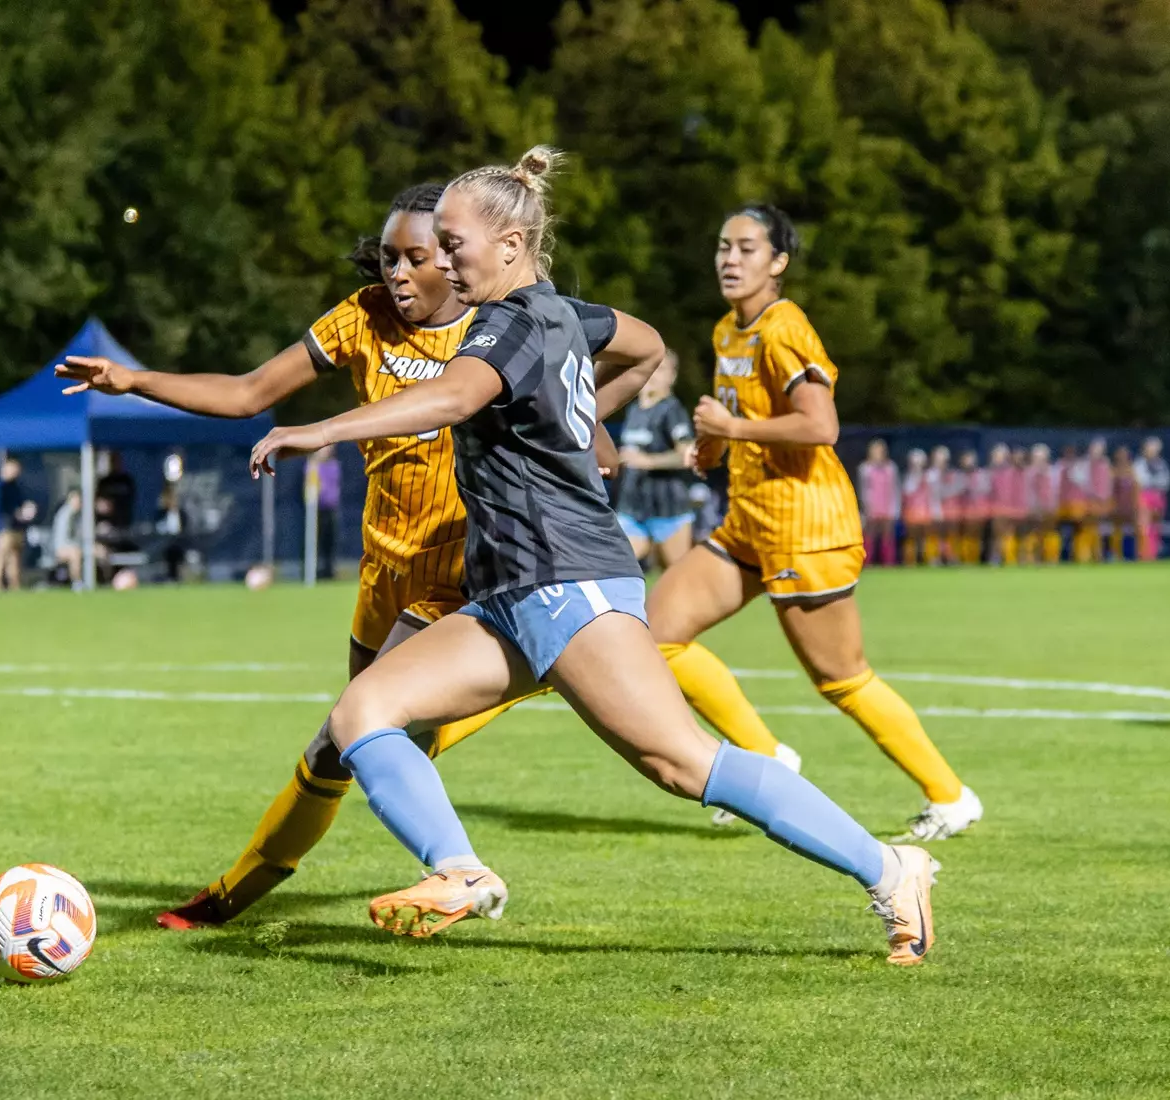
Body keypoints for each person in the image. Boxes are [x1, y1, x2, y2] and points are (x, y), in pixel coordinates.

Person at [249, 151, 940, 964]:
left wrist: (321, 430)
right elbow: (644, 345)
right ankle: (460, 871)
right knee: (361, 713)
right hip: (509, 595)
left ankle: (892, 869)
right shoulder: (562, 314)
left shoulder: (507, 323)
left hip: (569, 583)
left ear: (511, 244)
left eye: (453, 244)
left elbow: (455, 396)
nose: (443, 262)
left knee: (683, 764)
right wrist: (587, 423)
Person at [57, 183, 778, 928]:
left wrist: (584, 423)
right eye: (388, 257)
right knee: (350, 743)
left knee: (349, 730)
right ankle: (502, 750)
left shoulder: (500, 323)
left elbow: (614, 370)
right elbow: (249, 393)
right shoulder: (363, 317)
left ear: (456, 257)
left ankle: (254, 895)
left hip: (463, 575)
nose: (397, 273)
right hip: (383, 573)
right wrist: (134, 381)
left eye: (417, 257)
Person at [649, 203, 982, 841]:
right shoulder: (727, 331)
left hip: (807, 526)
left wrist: (731, 427)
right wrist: (714, 445)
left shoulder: (784, 328)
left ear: (778, 263)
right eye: (723, 246)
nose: (730, 258)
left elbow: (821, 425)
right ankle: (765, 760)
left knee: (841, 679)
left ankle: (950, 796)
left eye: (747, 248)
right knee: (654, 634)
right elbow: (737, 414)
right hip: (750, 520)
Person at [614, 349, 699, 569]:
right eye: (650, 367)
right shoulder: (634, 410)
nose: (653, 374)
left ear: (672, 376)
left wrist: (648, 461)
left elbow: (688, 455)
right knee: (615, 568)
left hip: (668, 510)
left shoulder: (672, 410)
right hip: (632, 509)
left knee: (676, 576)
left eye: (661, 370)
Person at [0, 458, 33, 591]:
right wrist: (15, 513)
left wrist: (26, 509)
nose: (16, 472)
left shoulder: (15, 486)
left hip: (17, 527)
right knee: (1, 555)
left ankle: (15, 585)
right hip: (5, 528)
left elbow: (20, 503)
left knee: (15, 557)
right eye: (13, 469)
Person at [857, 439, 899, 566]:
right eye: (875, 450)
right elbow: (863, 489)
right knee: (870, 534)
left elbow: (894, 489)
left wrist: (894, 509)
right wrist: (866, 507)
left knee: (887, 535)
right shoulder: (865, 468)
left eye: (880, 450)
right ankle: (867, 561)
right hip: (871, 506)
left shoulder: (891, 467)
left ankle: (888, 562)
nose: (878, 453)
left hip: (887, 505)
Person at [307, 445, 343, 580]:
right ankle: (313, 570)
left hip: (330, 509)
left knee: (329, 541)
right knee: (315, 541)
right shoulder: (312, 466)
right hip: (315, 510)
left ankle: (328, 571)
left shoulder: (334, 466)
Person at [987, 443, 1025, 565]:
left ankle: (1011, 559)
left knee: (1011, 534)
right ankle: (996, 558)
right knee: (997, 536)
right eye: (997, 456)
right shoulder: (989, 472)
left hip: (1011, 508)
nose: (999, 459)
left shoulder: (1013, 472)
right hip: (996, 508)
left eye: (1002, 456)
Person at [1135, 437, 1170, 561]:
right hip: (1144, 496)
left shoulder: (1161, 464)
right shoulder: (1139, 464)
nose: (1152, 451)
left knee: (1156, 527)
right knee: (1144, 527)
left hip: (1158, 496)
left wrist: (1156, 485)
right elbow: (1140, 481)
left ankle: (1153, 554)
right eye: (1149, 449)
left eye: (1154, 449)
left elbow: (1166, 481)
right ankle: (1144, 554)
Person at [1079, 439, 1113, 563]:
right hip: (1087, 500)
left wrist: (1105, 499)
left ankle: (1099, 555)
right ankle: (1085, 555)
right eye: (1095, 449)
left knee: (1101, 529)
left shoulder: (1105, 464)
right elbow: (1080, 482)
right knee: (1087, 528)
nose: (1097, 452)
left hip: (1102, 501)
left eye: (1099, 450)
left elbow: (1108, 484)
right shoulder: (1083, 464)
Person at [1024, 443, 1058, 564]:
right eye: (1037, 458)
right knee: (1031, 534)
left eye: (1042, 458)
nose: (1039, 461)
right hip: (1032, 511)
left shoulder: (1053, 473)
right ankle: (1031, 560)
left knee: (1050, 534)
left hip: (1049, 510)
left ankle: (1051, 559)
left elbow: (1055, 493)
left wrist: (1049, 508)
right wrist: (1033, 508)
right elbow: (1027, 493)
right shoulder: (1028, 474)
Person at [901, 448, 932, 565]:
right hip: (912, 511)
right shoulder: (908, 477)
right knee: (911, 537)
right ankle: (910, 560)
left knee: (925, 537)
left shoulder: (928, 476)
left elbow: (932, 494)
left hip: (925, 511)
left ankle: (925, 558)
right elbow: (908, 491)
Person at [956, 449, 987, 565]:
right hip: (962, 511)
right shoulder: (958, 475)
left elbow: (985, 489)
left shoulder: (981, 474)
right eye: (967, 460)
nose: (969, 462)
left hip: (978, 510)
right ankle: (965, 558)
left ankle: (976, 558)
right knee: (964, 535)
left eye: (971, 460)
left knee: (977, 536)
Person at [51, 488, 84, 587]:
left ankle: (106, 582)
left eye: (79, 500)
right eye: (75, 499)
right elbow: (65, 539)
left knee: (101, 551)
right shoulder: (65, 515)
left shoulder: (81, 514)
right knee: (75, 553)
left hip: (78, 545)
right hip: (61, 548)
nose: (78, 502)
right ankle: (77, 583)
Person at [1110, 446, 1139, 562]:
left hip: (1130, 506)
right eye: (1120, 455)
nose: (1122, 458)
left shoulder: (1132, 471)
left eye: (1124, 455)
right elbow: (1110, 491)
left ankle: (1131, 555)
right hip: (1116, 507)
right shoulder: (1113, 471)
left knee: (1131, 532)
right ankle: (1116, 555)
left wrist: (1135, 505)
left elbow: (1136, 489)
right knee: (1116, 532)